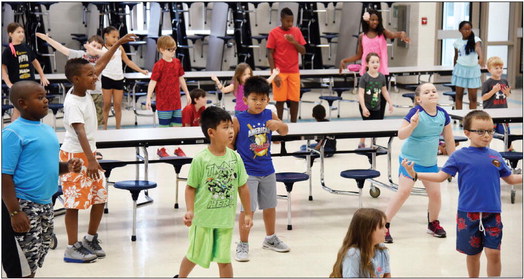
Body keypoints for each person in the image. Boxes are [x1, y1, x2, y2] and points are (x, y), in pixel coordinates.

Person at [402, 110, 522, 278]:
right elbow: (440, 176)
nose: (486, 135)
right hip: (468, 214)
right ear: (467, 133)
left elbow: (510, 178)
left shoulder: (495, 156)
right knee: (473, 255)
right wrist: (415, 174)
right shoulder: (459, 156)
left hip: (492, 213)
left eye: (490, 131)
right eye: (480, 131)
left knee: (494, 253)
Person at [59, 33, 137, 263]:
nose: (95, 77)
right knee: (74, 204)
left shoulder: (86, 88)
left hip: (89, 153)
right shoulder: (72, 101)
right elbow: (79, 131)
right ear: (75, 79)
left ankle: (90, 238)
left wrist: (118, 44)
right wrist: (90, 160)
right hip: (75, 156)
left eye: (94, 74)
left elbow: (100, 63)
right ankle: (72, 247)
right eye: (90, 75)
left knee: (100, 196)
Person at [2, 81, 82, 277]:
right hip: (22, 205)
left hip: (45, 205)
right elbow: (4, 176)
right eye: (39, 98)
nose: (46, 100)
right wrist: (14, 212)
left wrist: (67, 167)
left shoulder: (47, 130)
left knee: (34, 261)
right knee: (21, 268)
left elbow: (45, 166)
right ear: (23, 103)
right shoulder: (12, 133)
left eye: (45, 96)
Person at [176, 106, 252, 278]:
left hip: (225, 220)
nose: (231, 131)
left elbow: (243, 186)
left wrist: (248, 213)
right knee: (194, 256)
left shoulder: (235, 158)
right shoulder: (201, 159)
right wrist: (190, 210)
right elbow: (190, 187)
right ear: (211, 132)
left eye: (231, 126)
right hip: (203, 220)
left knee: (224, 260)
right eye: (225, 127)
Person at [384, 83, 456, 243]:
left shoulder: (443, 114)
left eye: (434, 91)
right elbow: (401, 135)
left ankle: (433, 223)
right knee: (404, 192)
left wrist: (455, 162)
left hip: (430, 163)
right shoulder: (415, 113)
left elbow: (449, 140)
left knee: (436, 195)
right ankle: (384, 224)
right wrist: (412, 125)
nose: (431, 93)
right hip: (409, 162)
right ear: (419, 99)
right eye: (426, 92)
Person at [231, 76, 290, 262]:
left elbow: (285, 131)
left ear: (268, 100)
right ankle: (243, 243)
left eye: (263, 99)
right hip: (248, 173)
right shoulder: (238, 119)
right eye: (254, 99)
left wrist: (279, 124)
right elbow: (230, 146)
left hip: (268, 169)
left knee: (270, 206)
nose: (258, 103)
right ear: (245, 99)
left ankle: (270, 238)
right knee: (248, 210)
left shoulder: (269, 114)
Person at [339, 8, 409, 119]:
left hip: (381, 73)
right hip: (366, 74)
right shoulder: (362, 36)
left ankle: (378, 123)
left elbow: (394, 34)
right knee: (365, 99)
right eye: (372, 19)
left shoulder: (383, 33)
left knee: (380, 101)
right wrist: (345, 60)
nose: (375, 22)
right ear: (367, 21)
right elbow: (359, 55)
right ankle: (366, 120)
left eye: (377, 20)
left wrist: (402, 34)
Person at [36, 32, 105, 127]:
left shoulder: (101, 57)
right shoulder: (80, 55)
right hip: (81, 94)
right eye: (93, 45)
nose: (95, 49)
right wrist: (48, 39)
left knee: (97, 123)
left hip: (96, 93)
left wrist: (96, 51)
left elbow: (111, 55)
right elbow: (62, 49)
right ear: (87, 45)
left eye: (99, 47)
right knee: (82, 121)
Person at [94, 26, 148, 130]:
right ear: (106, 36)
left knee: (118, 105)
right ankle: (104, 128)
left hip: (118, 78)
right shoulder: (102, 49)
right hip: (107, 77)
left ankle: (118, 128)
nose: (116, 39)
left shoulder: (120, 48)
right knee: (106, 104)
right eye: (113, 37)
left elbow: (128, 61)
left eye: (117, 37)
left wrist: (141, 70)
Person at [2, 22, 50, 121]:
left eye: (22, 32)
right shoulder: (7, 51)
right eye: (18, 32)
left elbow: (35, 62)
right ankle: (15, 131)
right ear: (10, 34)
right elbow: (3, 68)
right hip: (17, 85)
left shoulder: (26, 47)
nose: (21, 34)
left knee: (33, 108)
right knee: (18, 109)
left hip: (30, 83)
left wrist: (42, 76)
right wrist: (8, 83)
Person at [267, 7, 306, 123]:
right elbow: (269, 53)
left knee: (295, 100)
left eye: (291, 21)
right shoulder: (273, 33)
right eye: (287, 21)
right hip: (280, 72)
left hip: (294, 71)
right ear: (281, 19)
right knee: (280, 101)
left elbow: (303, 50)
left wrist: (294, 42)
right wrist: (274, 74)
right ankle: (279, 124)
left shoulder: (296, 32)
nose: (289, 24)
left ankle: (294, 125)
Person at [329, 208, 391, 278]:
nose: (386, 230)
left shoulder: (382, 250)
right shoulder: (353, 254)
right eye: (381, 227)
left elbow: (387, 275)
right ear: (368, 231)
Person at [146, 35, 190, 127]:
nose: (173, 51)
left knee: (177, 127)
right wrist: (148, 98)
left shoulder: (177, 62)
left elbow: (181, 79)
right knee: (164, 129)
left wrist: (187, 93)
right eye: (170, 49)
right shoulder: (158, 65)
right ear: (162, 50)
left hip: (176, 102)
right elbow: (153, 82)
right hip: (163, 103)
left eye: (174, 49)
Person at [211, 63, 280, 115]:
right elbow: (224, 90)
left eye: (249, 74)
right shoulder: (236, 84)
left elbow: (266, 82)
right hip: (240, 112)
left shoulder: (252, 83)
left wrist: (274, 74)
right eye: (244, 74)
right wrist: (217, 81)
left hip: (252, 110)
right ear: (239, 75)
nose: (247, 76)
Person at [357, 52, 394, 148]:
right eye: (372, 62)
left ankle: (373, 144)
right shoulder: (364, 78)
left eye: (377, 62)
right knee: (367, 125)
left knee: (375, 126)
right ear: (367, 64)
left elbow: (384, 91)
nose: (375, 64)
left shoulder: (381, 77)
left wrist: (390, 102)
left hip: (376, 106)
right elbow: (360, 94)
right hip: (366, 105)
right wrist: (364, 108)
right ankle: (361, 143)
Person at [481, 56, 513, 149]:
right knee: (488, 133)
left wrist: (507, 93)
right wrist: (493, 91)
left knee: (506, 133)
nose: (499, 70)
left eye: (501, 68)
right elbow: (484, 97)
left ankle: (510, 149)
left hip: (503, 112)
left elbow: (508, 95)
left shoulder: (504, 81)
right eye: (496, 68)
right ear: (490, 69)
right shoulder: (487, 83)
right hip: (491, 113)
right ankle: (485, 149)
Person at [452, 20, 484, 110]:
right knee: (459, 96)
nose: (467, 31)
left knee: (473, 97)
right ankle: (459, 118)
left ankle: (472, 118)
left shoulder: (476, 39)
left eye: (469, 29)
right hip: (460, 70)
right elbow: (456, 56)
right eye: (465, 29)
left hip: (473, 71)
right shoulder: (457, 42)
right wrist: (454, 68)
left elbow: (478, 48)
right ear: (460, 30)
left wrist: (481, 58)